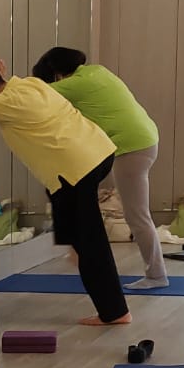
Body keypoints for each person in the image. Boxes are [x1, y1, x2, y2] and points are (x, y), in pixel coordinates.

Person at [0, 62, 129, 327]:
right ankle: (74, 246)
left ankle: (115, 312)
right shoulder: (29, 84)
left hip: (77, 168)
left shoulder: (5, 102)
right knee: (58, 197)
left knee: (91, 243)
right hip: (96, 152)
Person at [28, 47, 163, 289]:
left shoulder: (75, 85)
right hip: (144, 140)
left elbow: (28, 92)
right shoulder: (98, 71)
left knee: (137, 216)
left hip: (131, 147)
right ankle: (154, 273)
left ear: (57, 73)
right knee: (137, 214)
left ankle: (156, 276)